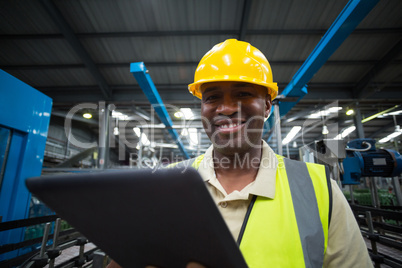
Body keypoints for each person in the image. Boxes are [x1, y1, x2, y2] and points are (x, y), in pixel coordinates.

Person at [108, 39, 373, 267]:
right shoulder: (163, 184)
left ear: (267, 106)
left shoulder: (319, 191)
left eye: (243, 93)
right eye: (212, 97)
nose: (225, 108)